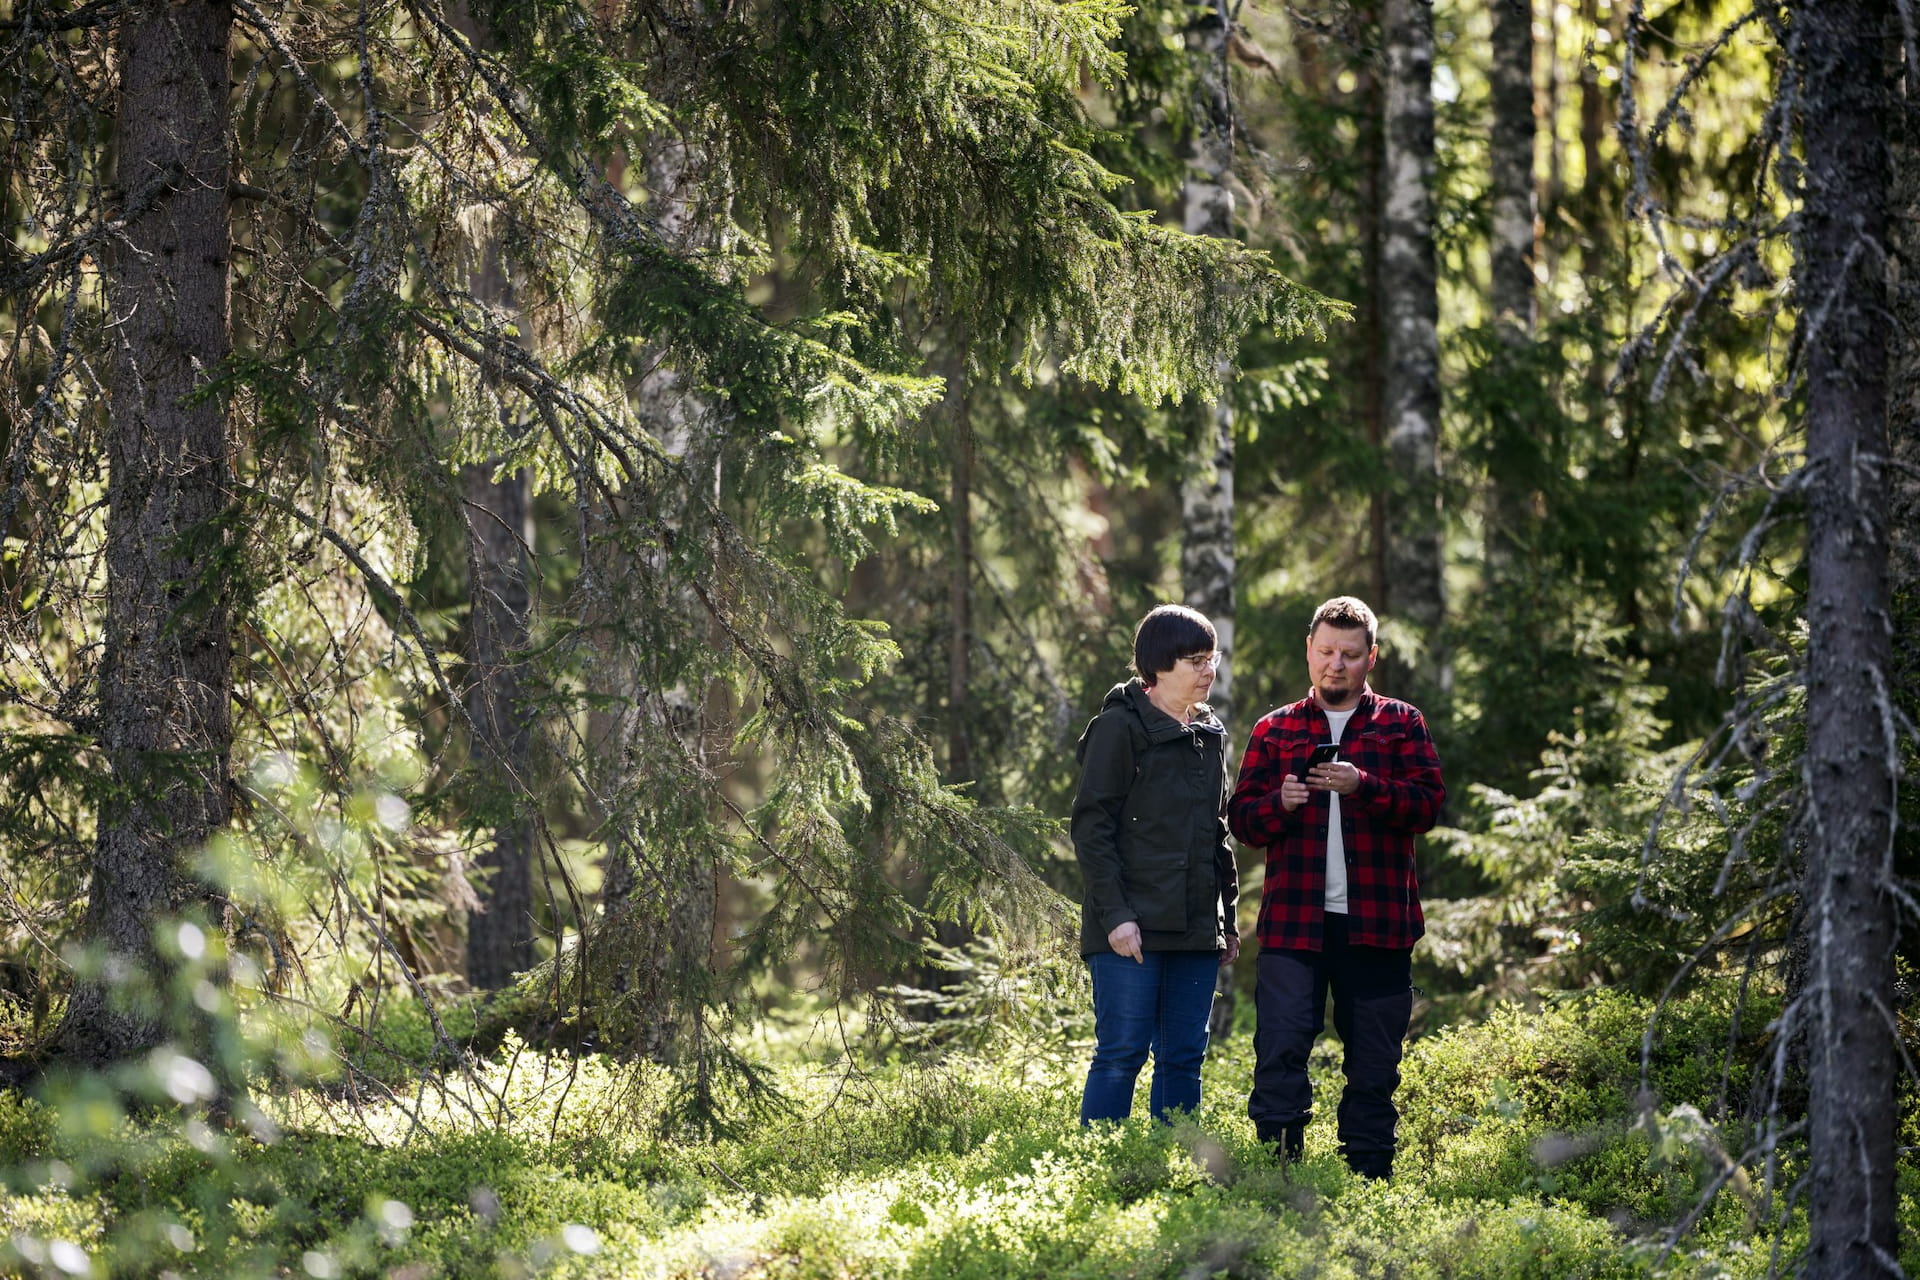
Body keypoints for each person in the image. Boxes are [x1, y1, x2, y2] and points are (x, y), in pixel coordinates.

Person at [1228, 596, 1444, 1178]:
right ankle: (1279, 1177)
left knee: (1374, 1063)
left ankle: (1368, 1180)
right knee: (1279, 1052)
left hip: (1379, 927)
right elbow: (1242, 821)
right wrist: (1280, 803)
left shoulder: (1402, 723)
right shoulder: (1274, 729)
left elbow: (1427, 807)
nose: (1336, 664)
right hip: (1293, 926)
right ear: (1309, 650)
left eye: (1349, 654)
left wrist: (1363, 785)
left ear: (1371, 657)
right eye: (1326, 651)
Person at [1072, 604, 1241, 1125]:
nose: (1208, 671)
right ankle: (1098, 1162)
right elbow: (1092, 829)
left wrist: (1226, 922)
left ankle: (1175, 1162)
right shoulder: (1117, 728)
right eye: (1196, 661)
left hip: (1195, 927)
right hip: (1130, 929)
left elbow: (1217, 835)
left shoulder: (1209, 733)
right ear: (1159, 666)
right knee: (1121, 1054)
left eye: (1212, 659)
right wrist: (1117, 916)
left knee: (1183, 1059)